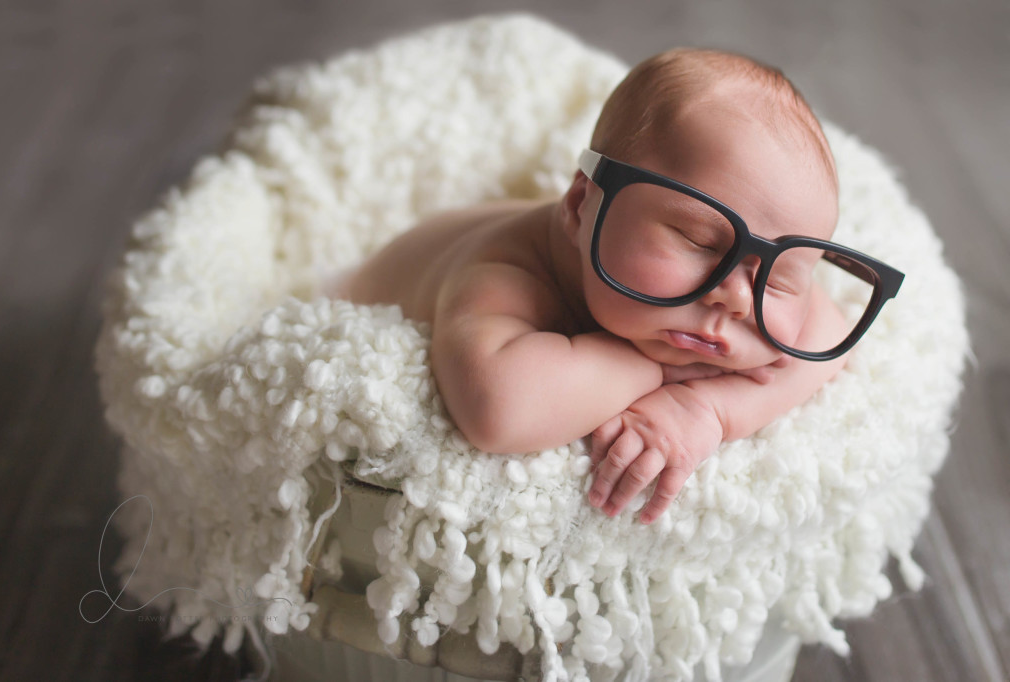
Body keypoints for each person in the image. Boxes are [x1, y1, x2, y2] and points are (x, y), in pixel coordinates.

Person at [329, 47, 902, 525]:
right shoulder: (506, 271)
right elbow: (500, 409)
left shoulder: (740, 299)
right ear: (582, 206)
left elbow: (830, 330)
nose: (733, 295)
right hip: (357, 283)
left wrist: (708, 411)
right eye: (701, 240)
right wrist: (655, 368)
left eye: (778, 277)